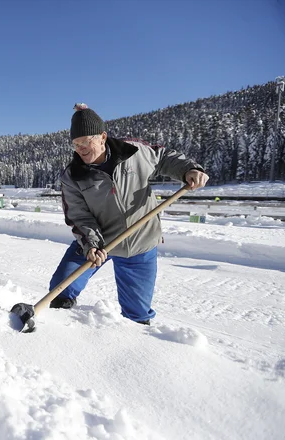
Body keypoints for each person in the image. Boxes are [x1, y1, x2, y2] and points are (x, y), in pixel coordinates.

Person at [49, 103, 209, 325]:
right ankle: (59, 328)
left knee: (137, 314)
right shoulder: (73, 175)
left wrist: (188, 170)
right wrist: (92, 245)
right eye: (76, 144)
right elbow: (79, 216)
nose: (81, 149)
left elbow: (162, 157)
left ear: (103, 137)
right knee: (60, 289)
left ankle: (136, 345)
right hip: (99, 240)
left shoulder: (134, 152)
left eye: (86, 141)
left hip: (140, 243)